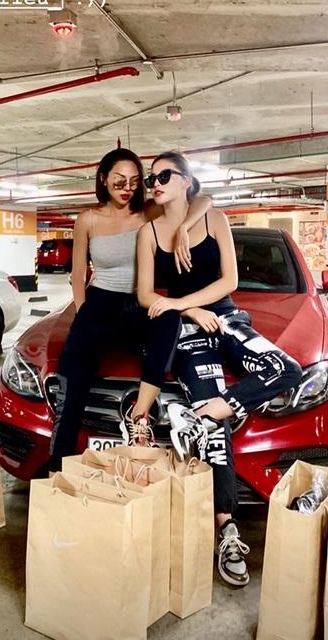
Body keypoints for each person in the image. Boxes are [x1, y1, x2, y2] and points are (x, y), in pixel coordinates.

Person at [136, 150, 303, 587]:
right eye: (151, 178)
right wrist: (186, 310)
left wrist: (187, 299)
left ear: (186, 180)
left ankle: (216, 408)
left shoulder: (215, 219)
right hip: (188, 328)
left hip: (226, 316)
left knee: (286, 369)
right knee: (216, 432)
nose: (155, 184)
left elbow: (229, 281)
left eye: (164, 176)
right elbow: (145, 296)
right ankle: (227, 528)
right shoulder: (149, 232)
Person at [47, 147, 212, 472]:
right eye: (119, 180)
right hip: (99, 303)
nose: (127, 188)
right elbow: (78, 274)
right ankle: (58, 468)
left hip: (137, 304)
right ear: (103, 179)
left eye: (135, 182)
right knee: (73, 378)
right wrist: (82, 315)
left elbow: (204, 199)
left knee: (168, 320)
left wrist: (184, 226)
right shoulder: (88, 219)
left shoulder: (147, 212)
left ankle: (140, 414)